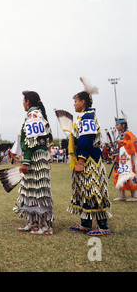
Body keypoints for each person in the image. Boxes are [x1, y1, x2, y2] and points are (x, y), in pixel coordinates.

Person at [67, 77, 111, 236]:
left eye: (76, 101)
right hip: (87, 160)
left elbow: (86, 140)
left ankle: (103, 227)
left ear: (83, 102)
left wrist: (80, 161)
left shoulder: (87, 117)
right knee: (84, 191)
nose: (74, 104)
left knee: (93, 190)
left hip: (89, 161)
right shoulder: (84, 116)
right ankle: (85, 224)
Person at [14, 91, 54, 235]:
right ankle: (34, 222)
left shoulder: (33, 116)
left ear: (28, 101)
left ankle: (46, 226)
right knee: (30, 190)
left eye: (23, 100)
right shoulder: (35, 115)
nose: (22, 103)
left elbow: (31, 142)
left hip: (35, 159)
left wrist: (26, 161)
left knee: (39, 191)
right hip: (36, 158)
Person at [113, 111, 137, 201]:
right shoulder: (119, 135)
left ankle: (134, 196)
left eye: (118, 125)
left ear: (123, 125)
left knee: (129, 175)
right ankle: (122, 195)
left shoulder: (128, 133)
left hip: (127, 160)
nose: (116, 126)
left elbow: (134, 143)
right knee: (119, 175)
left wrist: (123, 143)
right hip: (119, 160)